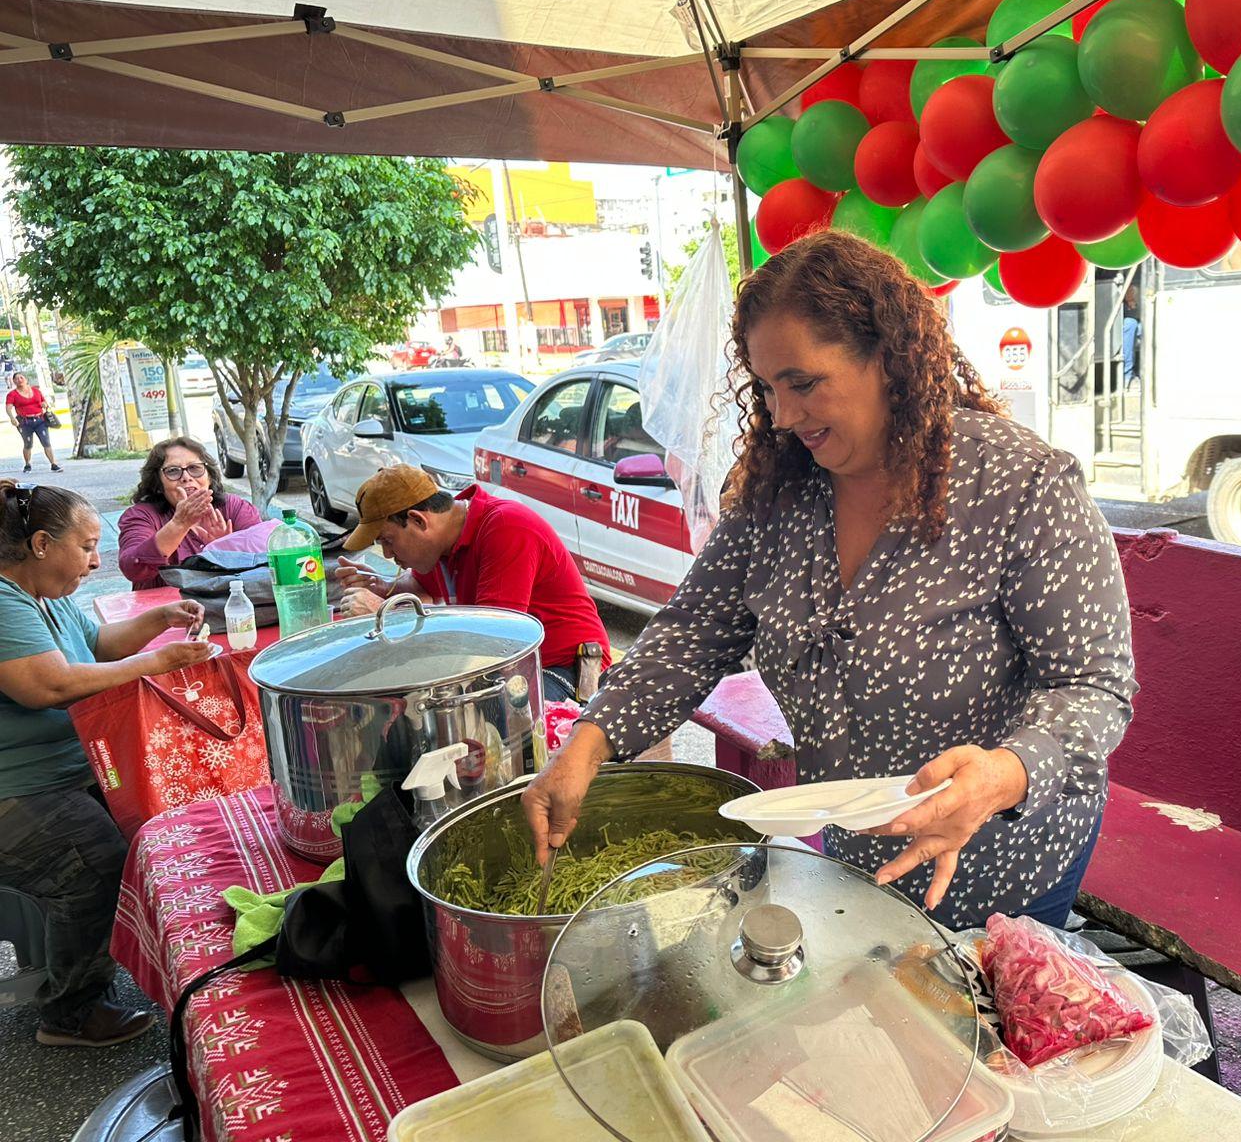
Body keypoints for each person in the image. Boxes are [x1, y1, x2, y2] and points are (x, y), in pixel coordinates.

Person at [520, 231, 1136, 930]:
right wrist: (586, 747)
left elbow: (1093, 685)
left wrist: (1004, 774)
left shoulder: (1018, 483)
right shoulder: (777, 493)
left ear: (888, 358)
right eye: (766, 388)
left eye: (804, 383)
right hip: (855, 853)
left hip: (1003, 855)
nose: (782, 416)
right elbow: (691, 634)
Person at [0, 480, 213, 1046]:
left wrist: (161, 620)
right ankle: (70, 1011)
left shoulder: (45, 594)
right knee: (99, 865)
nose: (97, 562)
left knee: (160, 822)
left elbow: (95, 645)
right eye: (88, 547)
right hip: (15, 792)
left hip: (66, 774)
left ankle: (157, 959)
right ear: (41, 544)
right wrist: (159, 662)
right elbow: (49, 685)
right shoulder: (1, 601)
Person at [331, 466, 611, 703]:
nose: (387, 554)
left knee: (491, 720)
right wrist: (382, 587)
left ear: (418, 520)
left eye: (388, 540)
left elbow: (491, 642)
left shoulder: (506, 527)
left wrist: (389, 620)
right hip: (511, 665)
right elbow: (419, 587)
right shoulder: (441, 542)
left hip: (564, 669)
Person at [117, 437, 262, 590]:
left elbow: (265, 558)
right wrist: (179, 524)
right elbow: (132, 567)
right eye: (173, 471)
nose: (186, 477)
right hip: (167, 605)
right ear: (158, 483)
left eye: (195, 468)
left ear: (209, 477)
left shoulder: (233, 507)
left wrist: (226, 548)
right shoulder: (141, 516)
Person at [6, 372, 62, 473]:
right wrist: (12, 418)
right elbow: (8, 407)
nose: (19, 380)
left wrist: (44, 404)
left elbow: (44, 402)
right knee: (28, 444)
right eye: (17, 379)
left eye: (21, 377)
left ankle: (54, 464)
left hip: (40, 420)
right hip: (25, 422)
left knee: (46, 442)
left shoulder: (36, 391)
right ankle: (27, 464)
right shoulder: (12, 394)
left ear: (26, 379)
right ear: (14, 381)